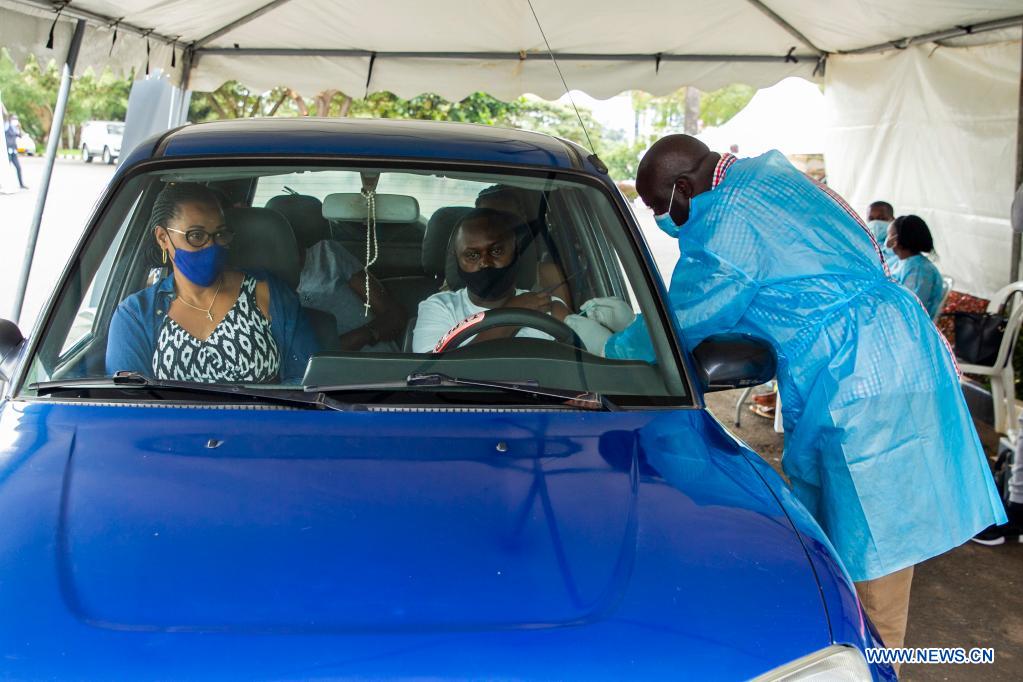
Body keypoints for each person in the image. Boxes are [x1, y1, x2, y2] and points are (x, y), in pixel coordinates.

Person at [622, 135, 1004, 656]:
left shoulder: (726, 218)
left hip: (861, 373)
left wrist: (606, 342)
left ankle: (877, 663)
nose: (664, 220)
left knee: (874, 553)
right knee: (846, 539)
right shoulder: (766, 178)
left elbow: (684, 319)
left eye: (658, 207)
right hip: (885, 352)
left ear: (684, 187)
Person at [107, 182, 318, 383]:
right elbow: (130, 404)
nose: (212, 246)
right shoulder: (135, 315)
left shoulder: (268, 293)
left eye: (220, 235)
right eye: (196, 236)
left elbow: (305, 383)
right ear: (163, 238)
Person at [412, 208, 619, 354]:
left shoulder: (548, 309)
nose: (485, 262)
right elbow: (431, 374)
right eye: (472, 256)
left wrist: (625, 328)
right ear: (457, 260)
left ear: (516, 253)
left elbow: (606, 358)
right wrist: (513, 311)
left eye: (496, 250)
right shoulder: (440, 307)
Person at [298, 238, 407, 351]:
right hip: (327, 366)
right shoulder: (279, 293)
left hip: (378, 357)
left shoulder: (326, 254)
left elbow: (394, 316)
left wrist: (360, 337)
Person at [475, 185, 573, 308]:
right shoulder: (456, 289)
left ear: (523, 220)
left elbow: (565, 325)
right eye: (488, 221)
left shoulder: (548, 277)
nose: (498, 229)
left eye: (507, 220)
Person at [886, 214, 944, 318]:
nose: (887, 240)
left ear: (896, 239)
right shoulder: (899, 262)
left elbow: (910, 308)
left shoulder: (920, 270)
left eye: (889, 235)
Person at [3, 114, 28, 190]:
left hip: (14, 151)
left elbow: (20, 135)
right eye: (14, 119)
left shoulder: (15, 128)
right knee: (5, 169)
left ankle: (21, 184)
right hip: (7, 152)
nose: (16, 121)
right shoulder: (7, 126)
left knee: (18, 168)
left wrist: (19, 128)